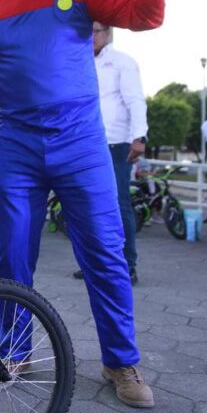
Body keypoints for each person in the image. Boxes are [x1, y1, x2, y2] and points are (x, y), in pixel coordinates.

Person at [0, 0, 185, 409]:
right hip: (18, 144)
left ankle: (120, 360)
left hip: (82, 142)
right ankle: (14, 351)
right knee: (12, 256)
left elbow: (144, 15)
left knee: (106, 252)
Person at [75, 22, 148, 285]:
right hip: (83, 143)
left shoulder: (122, 62)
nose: (91, 35)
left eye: (96, 30)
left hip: (115, 143)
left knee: (118, 204)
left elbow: (135, 100)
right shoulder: (78, 59)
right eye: (88, 30)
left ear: (108, 33)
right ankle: (93, 263)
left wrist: (139, 137)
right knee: (85, 205)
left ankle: (128, 264)